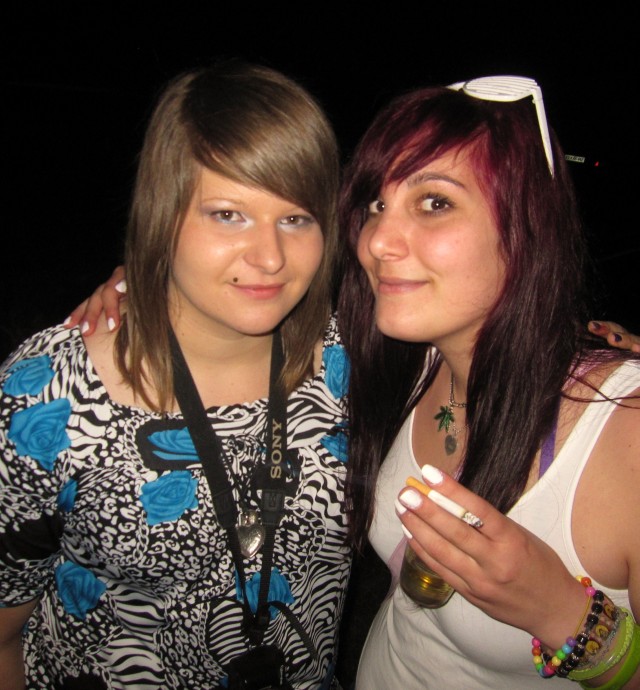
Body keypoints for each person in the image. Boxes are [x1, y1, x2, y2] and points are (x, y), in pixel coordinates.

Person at [0, 62, 351, 690]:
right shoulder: (49, 394)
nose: (270, 257)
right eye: (228, 214)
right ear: (163, 214)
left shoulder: (348, 359)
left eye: (296, 218)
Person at [337, 76, 639, 688]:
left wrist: (561, 612)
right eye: (376, 204)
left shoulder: (625, 437)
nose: (377, 241)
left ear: (525, 228)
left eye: (434, 202)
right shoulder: (416, 358)